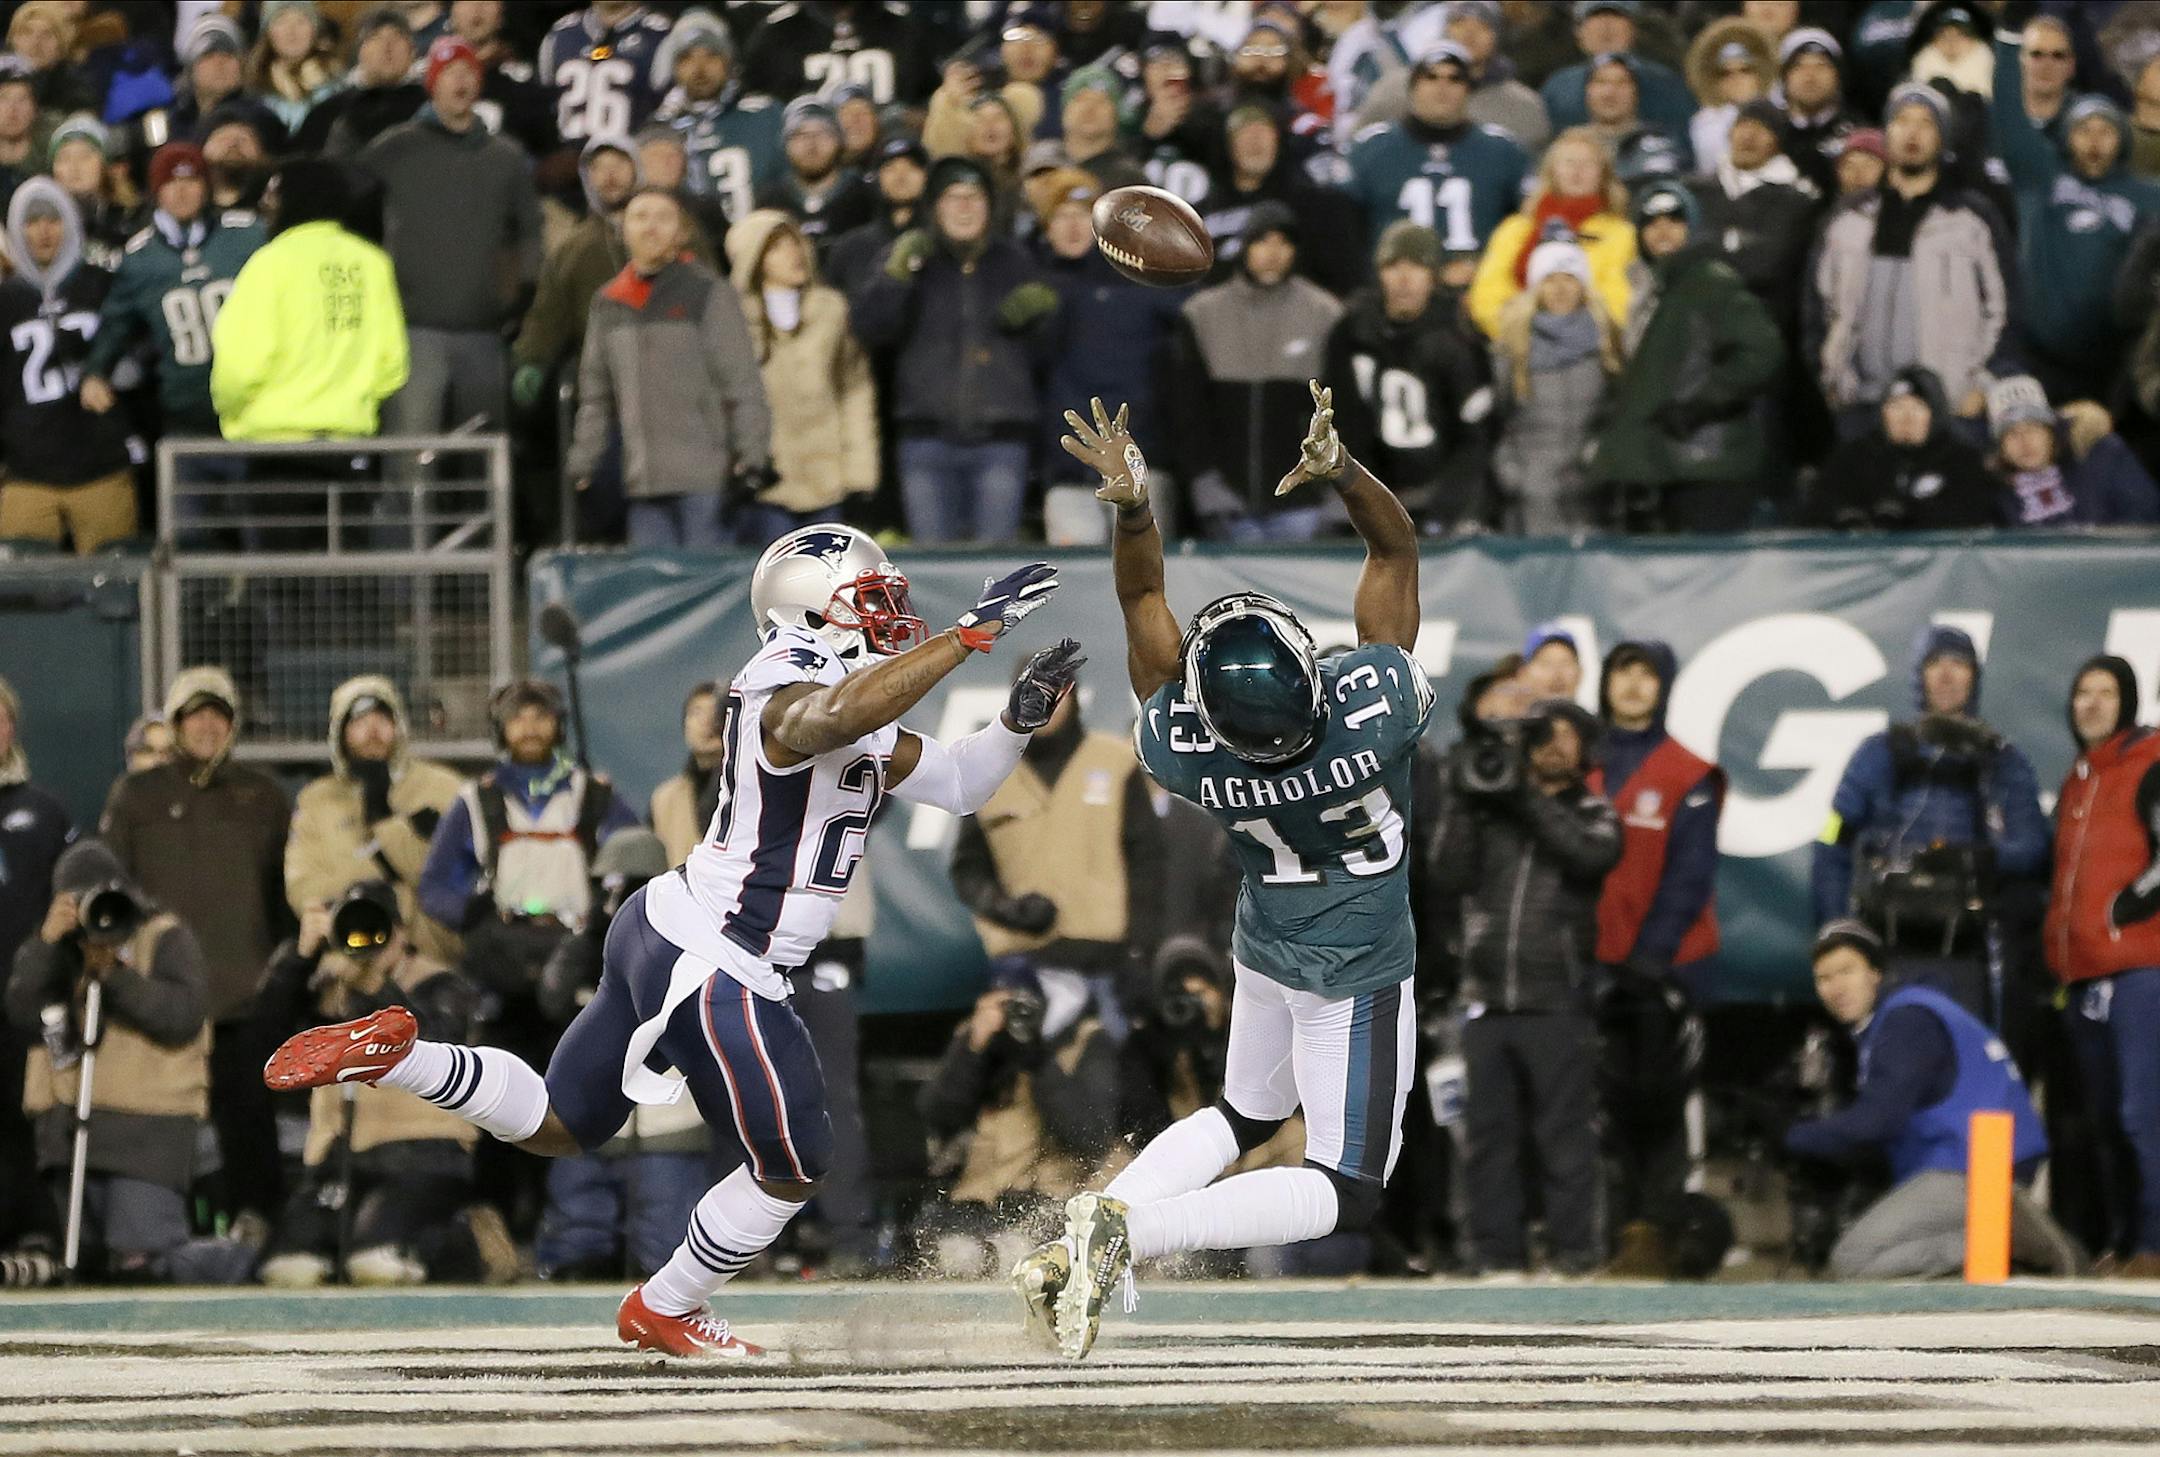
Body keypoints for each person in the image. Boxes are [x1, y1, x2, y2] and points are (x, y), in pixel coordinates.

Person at [269, 525, 1078, 1357]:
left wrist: (1015, 721)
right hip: (723, 957)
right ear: (807, 612)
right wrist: (966, 639)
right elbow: (833, 715)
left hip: (673, 926)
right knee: (797, 1161)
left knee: (559, 1121)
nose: (885, 615)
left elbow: (960, 780)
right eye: (866, 600)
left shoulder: (844, 690)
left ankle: (397, 1057)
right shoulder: (784, 681)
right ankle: (668, 1303)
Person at [1031, 382, 1429, 1359]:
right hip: (1357, 963)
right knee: (1345, 1184)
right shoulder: (1374, 706)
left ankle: (1088, 1230)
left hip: (1265, 940)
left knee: (1241, 1108)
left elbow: (1141, 596)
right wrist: (1345, 472)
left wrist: (1133, 507)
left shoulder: (1185, 746)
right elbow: (1396, 549)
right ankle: (1132, 1232)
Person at [6, 840, 254, 1284]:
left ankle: (239, 1258)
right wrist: (47, 943)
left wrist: (115, 977)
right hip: (67, 1128)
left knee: (142, 1260)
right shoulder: (55, 945)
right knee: (83, 1265)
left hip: (146, 1130)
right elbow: (22, 1011)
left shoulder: (163, 936)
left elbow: (182, 1016)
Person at [99, 668, 291, 1229]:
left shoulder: (264, 795)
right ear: (176, 723)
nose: (208, 725)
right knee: (157, 1117)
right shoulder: (138, 794)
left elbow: (286, 892)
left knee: (248, 1120)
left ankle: (259, 1226)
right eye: (195, 714)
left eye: (219, 714)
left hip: (244, 996)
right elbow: (113, 882)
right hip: (163, 997)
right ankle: (154, 1230)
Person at [1785, 921, 2081, 1279]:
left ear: (1875, 972)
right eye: (1824, 978)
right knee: (1881, 1258)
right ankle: (1998, 1244)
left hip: (1974, 1166)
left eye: (1847, 970)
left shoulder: (1906, 1020)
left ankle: (2005, 1240)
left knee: (1853, 1261)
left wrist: (1793, 1136)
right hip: (1974, 1161)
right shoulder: (1909, 1013)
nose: (1835, 987)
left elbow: (1876, 1123)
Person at [255, 880, 508, 1287]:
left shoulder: (440, 983)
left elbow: (432, 1037)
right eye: (351, 928)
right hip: (341, 1160)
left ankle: (471, 1239)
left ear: (402, 933)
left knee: (377, 1264)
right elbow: (265, 1039)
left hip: (425, 1155)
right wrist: (299, 959)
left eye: (376, 927)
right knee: (289, 1268)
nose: (364, 940)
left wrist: (373, 986)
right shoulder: (326, 986)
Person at [1812, 626, 2048, 1023]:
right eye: (1935, 662)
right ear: (1918, 675)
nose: (1946, 674)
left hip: (1970, 951)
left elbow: (2033, 849)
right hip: (1888, 947)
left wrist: (1970, 860)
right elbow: (1832, 836)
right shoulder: (1879, 753)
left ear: (1974, 676)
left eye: (1958, 663)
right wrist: (1835, 931)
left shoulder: (2002, 760)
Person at [1588, 640, 1722, 1274]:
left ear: (1664, 686)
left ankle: (1656, 1242)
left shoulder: (1686, 772)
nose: (1635, 685)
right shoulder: (1576, 761)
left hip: (1662, 974)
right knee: (1590, 1114)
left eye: (1647, 675)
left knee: (1660, 1117)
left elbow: (1689, 878)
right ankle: (1602, 1239)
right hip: (1586, 972)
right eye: (1624, 672)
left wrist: (1649, 960)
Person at [848, 157, 1060, 546]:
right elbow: (869, 328)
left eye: (975, 197)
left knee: (995, 575)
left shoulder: (1016, 261)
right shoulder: (911, 256)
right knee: (932, 571)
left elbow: (1049, 355)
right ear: (934, 207)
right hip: (925, 441)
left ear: (990, 207)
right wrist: (896, 278)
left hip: (1002, 440)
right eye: (953, 197)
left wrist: (1046, 316)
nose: (965, 206)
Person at [951, 660, 1160, 1037]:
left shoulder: (1115, 762)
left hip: (1107, 962)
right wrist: (1007, 909)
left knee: (1112, 1085)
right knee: (1027, 1087)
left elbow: (1148, 862)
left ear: (1075, 697)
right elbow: (968, 870)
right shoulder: (991, 771)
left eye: (1057, 694)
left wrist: (1141, 951)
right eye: (1034, 693)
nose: (1047, 704)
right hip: (1023, 961)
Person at [362, 36, 542, 452]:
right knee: (410, 455)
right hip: (412, 329)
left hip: (483, 329)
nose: (460, 81)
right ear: (432, 83)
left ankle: (483, 522)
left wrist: (523, 292)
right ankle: (407, 521)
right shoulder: (395, 148)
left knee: (482, 456)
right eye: (449, 73)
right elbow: (356, 208)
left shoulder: (506, 157)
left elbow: (531, 228)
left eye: (467, 72)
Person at [566, 187, 773, 550]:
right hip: (642, 484)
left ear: (681, 232)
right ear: (623, 230)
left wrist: (751, 458)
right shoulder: (608, 303)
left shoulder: (709, 292)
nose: (651, 228)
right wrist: (584, 462)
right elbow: (595, 395)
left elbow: (742, 384)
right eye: (640, 217)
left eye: (663, 218)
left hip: (707, 482)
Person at [1806, 82, 2012, 442]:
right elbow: (1816, 305)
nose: (1912, 132)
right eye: (1902, 121)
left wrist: (1986, 382)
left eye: (1926, 123)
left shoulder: (1972, 219)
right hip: (1862, 407)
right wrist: (1829, 376)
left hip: (1950, 406)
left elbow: (2006, 308)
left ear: (1943, 138)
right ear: (1887, 132)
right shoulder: (1847, 218)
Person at [2045, 656, 2160, 1276]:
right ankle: (2123, 1243)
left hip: (2144, 970)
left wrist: (2123, 910)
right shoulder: (2079, 779)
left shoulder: (2152, 761)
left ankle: (2155, 1243)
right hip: (2083, 977)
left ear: (2128, 701)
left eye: (2105, 693)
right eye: (2081, 692)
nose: (2090, 703)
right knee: (2103, 1119)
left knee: (2145, 1114)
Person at [80, 143, 265, 516]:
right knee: (186, 542)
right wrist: (95, 372)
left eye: (191, 181)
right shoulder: (141, 258)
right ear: (156, 191)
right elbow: (116, 323)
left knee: (258, 536)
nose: (181, 192)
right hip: (185, 418)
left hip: (253, 414)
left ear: (206, 186)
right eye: (170, 183)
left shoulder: (247, 236)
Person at [1587, 181, 1782, 533]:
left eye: (1675, 220)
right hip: (1663, 465)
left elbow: (1761, 352)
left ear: (1693, 228)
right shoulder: (1644, 290)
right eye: (1651, 221)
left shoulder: (1712, 281)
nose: (1663, 230)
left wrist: (1700, 404)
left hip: (1707, 463)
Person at [914, 964, 1122, 1278]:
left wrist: (1039, 1059)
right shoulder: (980, 1043)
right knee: (957, 1256)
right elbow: (937, 1115)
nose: (1015, 1016)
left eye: (1023, 1006)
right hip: (975, 1201)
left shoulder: (1084, 1043)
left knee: (1016, 1256)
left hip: (1047, 1201)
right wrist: (972, 1049)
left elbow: (1090, 1136)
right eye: (1005, 1005)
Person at [1169, 204, 1344, 543]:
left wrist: (1337, 495)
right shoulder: (1202, 315)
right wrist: (1206, 486)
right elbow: (1188, 412)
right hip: (1227, 503)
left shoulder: (1324, 314)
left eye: (1283, 242)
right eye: (1262, 241)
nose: (1273, 253)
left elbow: (1345, 412)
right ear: (1245, 247)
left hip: (1304, 506)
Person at [209, 158, 410, 444]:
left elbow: (239, 366)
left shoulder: (270, 263)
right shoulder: (372, 263)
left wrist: (230, 409)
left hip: (273, 441)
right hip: (349, 439)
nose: (266, 207)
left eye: (272, 198)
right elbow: (392, 365)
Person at [1032, 173, 1188, 528]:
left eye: (1083, 216)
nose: (1073, 227)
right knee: (1075, 582)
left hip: (1142, 463)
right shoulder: (1033, 286)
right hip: (1068, 471)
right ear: (1046, 227)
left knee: (1149, 576)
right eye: (1061, 216)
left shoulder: (1146, 280)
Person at [1323, 221, 1493, 533]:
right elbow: (1340, 420)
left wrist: (1450, 502)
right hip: (1367, 492)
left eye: (1416, 266)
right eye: (1392, 266)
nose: (1403, 279)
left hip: (1441, 498)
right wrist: (1365, 494)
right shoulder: (1352, 332)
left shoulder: (1460, 337)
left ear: (1434, 275)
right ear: (1379, 273)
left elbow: (1475, 438)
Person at [285, 677, 463, 966]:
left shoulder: (442, 788)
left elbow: (448, 877)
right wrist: (383, 880)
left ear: (399, 726)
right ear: (340, 733)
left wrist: (384, 822)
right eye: (359, 722)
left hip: (429, 958)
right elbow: (303, 889)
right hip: (350, 958)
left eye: (382, 718)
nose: (373, 731)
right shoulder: (316, 800)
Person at [724, 209, 876, 544]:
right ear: (754, 257)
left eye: (794, 242)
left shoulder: (831, 309)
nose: (793, 253)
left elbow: (854, 389)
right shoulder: (731, 318)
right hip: (767, 482)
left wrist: (859, 470)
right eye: (777, 247)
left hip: (827, 479)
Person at [0, 180, 134, 555]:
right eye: (31, 221)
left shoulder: (102, 285)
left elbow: (136, 352)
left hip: (101, 467)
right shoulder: (5, 300)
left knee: (113, 592)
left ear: (71, 223)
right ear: (15, 228)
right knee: (23, 600)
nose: (43, 231)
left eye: (53, 219)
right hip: (26, 474)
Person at [2011, 96, 2160, 406]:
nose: (2095, 141)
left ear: (2122, 139)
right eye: (2084, 130)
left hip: (2113, 361)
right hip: (2038, 353)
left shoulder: (2146, 195)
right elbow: (2010, 124)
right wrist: (2009, 47)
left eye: (2106, 131)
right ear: (2068, 137)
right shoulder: (2045, 177)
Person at [0, 675, 72, 1268]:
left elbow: (71, 892)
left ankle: (35, 1233)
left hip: (23, 1000)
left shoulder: (43, 810)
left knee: (25, 1119)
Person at [1489, 239, 1621, 534]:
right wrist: (1512, 474)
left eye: (1570, 279)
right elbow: (1499, 421)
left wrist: (1600, 460)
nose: (1560, 289)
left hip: (1590, 494)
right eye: (1550, 279)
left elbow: (1615, 413)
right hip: (1531, 493)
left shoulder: (1606, 342)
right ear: (1537, 287)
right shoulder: (1514, 346)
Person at [1344, 44, 1529, 254]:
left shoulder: (1503, 150)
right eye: (1431, 77)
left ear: (1468, 89)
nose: (1443, 87)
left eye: (1454, 79)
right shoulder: (1370, 148)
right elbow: (1345, 227)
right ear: (1413, 85)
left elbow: (1524, 226)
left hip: (1479, 282)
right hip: (1391, 284)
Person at [1467, 126, 1635, 340]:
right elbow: (1487, 295)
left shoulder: (1620, 234)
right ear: (1552, 171)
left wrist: (1571, 338)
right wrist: (1524, 335)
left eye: (1588, 163)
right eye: (1569, 162)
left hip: (1590, 347)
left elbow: (1618, 300)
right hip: (1519, 342)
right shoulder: (1516, 229)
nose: (1577, 171)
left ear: (1603, 174)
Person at [1193, 106, 1366, 300]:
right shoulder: (1201, 211)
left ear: (1279, 141)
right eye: (1245, 133)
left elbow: (1347, 280)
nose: (1255, 141)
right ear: (1229, 145)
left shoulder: (1315, 205)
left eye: (1263, 132)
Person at [1685, 99, 1820, 342]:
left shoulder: (1798, 201)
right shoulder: (1695, 190)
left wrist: (1711, 254)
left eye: (1762, 129)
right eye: (1743, 126)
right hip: (1695, 330)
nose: (1749, 136)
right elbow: (1681, 255)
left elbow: (1769, 263)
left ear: (1777, 141)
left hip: (1763, 332)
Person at [1809, 365, 1996, 530]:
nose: (1906, 417)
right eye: (1896, 406)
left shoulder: (1961, 460)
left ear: (1936, 413)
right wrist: (1848, 519)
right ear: (1883, 413)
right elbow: (1820, 506)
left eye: (1918, 407)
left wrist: (1910, 515)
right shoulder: (1854, 457)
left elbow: (1972, 517)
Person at [655, 8, 784, 229]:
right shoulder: (660, 130)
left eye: (711, 55)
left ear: (728, 62)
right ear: (675, 68)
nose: (700, 69)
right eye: (687, 58)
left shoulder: (766, 115)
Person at [1985, 376, 2160, 528]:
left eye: (2033, 428)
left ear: (2051, 433)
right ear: (2001, 449)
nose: (2024, 441)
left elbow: (2147, 518)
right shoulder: (2003, 500)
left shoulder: (2103, 455)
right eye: (2011, 434)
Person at [1540, 1, 1694, 140]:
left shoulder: (1665, 83)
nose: (1606, 25)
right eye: (1596, 17)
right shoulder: (1558, 86)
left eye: (1616, 16)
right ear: (1579, 32)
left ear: (1633, 29)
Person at [538, 2, 675, 149]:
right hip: (567, 162)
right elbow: (543, 103)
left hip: (634, 161)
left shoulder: (661, 35)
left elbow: (670, 110)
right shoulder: (560, 35)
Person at [754, 98, 872, 258]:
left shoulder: (864, 195)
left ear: (839, 140)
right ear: (785, 144)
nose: (811, 144)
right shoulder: (770, 202)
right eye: (800, 135)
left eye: (823, 133)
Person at [313, 8, 427, 158]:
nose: (387, 47)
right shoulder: (332, 110)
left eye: (397, 37)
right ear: (360, 50)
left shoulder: (429, 104)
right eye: (376, 37)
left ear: (412, 51)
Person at [1773, 28, 1863, 197]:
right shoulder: (1770, 131)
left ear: (1838, 76)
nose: (1810, 76)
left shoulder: (1858, 134)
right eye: (1799, 66)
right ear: (1784, 78)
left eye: (1821, 65)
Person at [1683, 15, 1774, 180]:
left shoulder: (1780, 115)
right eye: (1725, 73)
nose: (1736, 79)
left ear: (1759, 75)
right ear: (1715, 82)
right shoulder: (1703, 124)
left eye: (1745, 70)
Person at [650, 683, 722, 866]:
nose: (707, 721)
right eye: (697, 712)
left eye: (716, 711)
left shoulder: (753, 785)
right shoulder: (665, 799)